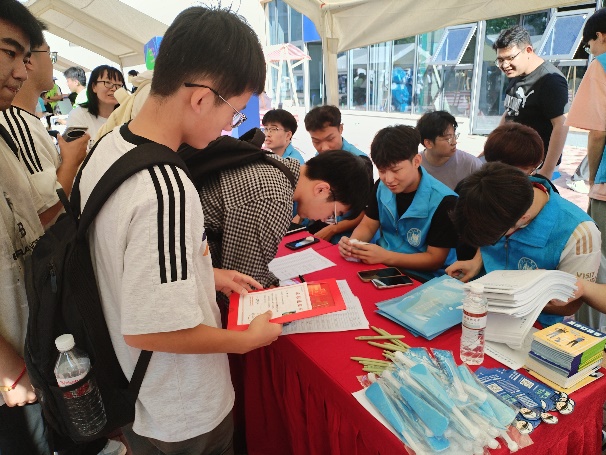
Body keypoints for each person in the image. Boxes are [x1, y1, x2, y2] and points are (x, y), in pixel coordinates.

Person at [77, 7, 282, 453]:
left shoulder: (108, 148)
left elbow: (123, 264)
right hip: (182, 407)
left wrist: (206, 273)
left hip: (134, 391)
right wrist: (244, 341)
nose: (231, 126)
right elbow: (151, 330)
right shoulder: (164, 187)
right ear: (202, 98)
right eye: (235, 111)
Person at [445, 162, 601, 327]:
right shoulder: (500, 192)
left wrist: (515, 297)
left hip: (532, 324)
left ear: (523, 219)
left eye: (494, 239)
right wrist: (476, 261)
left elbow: (569, 305)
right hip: (478, 305)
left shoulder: (579, 233)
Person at [199, 148, 371, 288]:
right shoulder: (274, 199)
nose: (324, 219)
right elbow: (242, 283)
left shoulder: (275, 165)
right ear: (321, 190)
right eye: (334, 214)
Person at [338, 125, 459, 279]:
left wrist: (385, 256)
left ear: (416, 161)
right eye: (382, 171)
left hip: (424, 277)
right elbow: (368, 225)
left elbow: (434, 259)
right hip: (383, 266)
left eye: (396, 170)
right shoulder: (381, 187)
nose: (388, 179)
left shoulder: (445, 201)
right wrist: (353, 245)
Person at [0, 35, 88, 228]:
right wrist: (71, 162)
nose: (52, 62)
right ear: (29, 59)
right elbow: (40, 216)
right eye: (49, 54)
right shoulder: (16, 123)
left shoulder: (24, 119)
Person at [565, 7, 606, 329]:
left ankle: (590, 339)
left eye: (589, 44)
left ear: (600, 36)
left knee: (598, 263)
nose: (590, 51)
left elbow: (598, 132)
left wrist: (593, 179)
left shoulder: (601, 64)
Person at [494, 25, 569, 179]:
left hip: (533, 166)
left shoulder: (550, 80)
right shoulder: (516, 73)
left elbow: (561, 125)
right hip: (510, 157)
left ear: (528, 50)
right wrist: (491, 147)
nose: (505, 65)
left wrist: (546, 172)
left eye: (510, 58)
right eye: (500, 60)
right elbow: (510, 112)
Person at [302, 105, 369, 242]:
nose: (324, 148)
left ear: (341, 129)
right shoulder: (317, 159)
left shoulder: (360, 164)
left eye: (330, 139)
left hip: (346, 235)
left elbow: (366, 212)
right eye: (316, 141)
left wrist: (332, 230)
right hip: (319, 227)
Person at [416, 110, 482, 190]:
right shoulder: (415, 165)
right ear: (428, 143)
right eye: (448, 138)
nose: (454, 142)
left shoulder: (472, 165)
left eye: (454, 136)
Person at [66, 64, 124, 143]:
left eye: (119, 85)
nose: (114, 88)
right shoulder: (78, 115)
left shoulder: (127, 115)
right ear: (94, 87)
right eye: (108, 82)